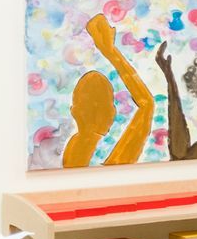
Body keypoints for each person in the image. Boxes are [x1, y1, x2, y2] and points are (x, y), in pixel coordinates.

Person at [62, 13, 154, 167]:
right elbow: (147, 104)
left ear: (74, 111)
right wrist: (110, 52)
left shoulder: (73, 148)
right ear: (109, 112)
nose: (113, 112)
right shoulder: (109, 156)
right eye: (111, 104)